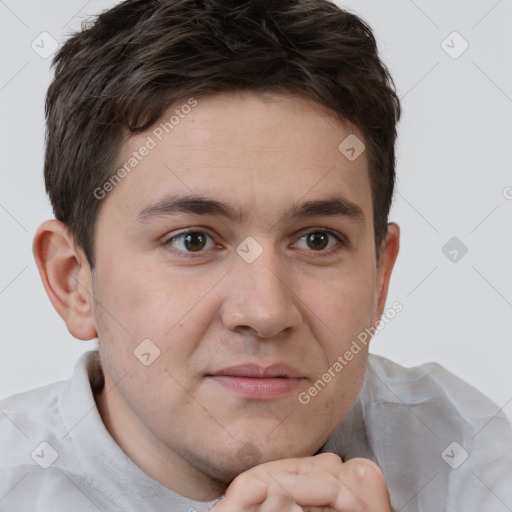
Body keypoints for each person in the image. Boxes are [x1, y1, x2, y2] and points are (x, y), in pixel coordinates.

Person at [1, 0, 511, 510]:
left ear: (380, 279)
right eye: (193, 240)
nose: (266, 313)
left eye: (317, 240)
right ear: (74, 282)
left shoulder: (461, 454)